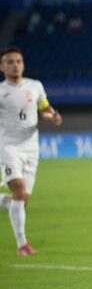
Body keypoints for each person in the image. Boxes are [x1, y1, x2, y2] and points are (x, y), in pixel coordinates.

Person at [0, 47, 63, 256]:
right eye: (10, 62)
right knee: (18, 189)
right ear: (2, 67)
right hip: (8, 147)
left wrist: (52, 116)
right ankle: (22, 245)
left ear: (23, 64)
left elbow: (44, 108)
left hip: (31, 148)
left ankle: (4, 202)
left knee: (22, 199)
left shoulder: (35, 86)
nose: (15, 65)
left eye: (18, 61)